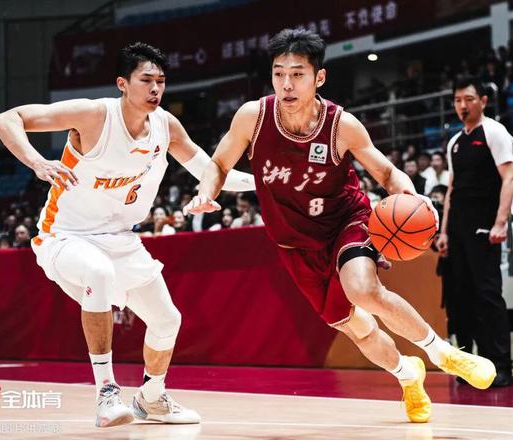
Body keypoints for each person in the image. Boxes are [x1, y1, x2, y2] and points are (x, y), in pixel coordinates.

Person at [185, 29, 496, 424]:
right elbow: (218, 163)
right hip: (296, 245)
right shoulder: (253, 117)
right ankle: (407, 375)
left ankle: (443, 353)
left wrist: (411, 197)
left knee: (363, 290)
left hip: (346, 222)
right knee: (358, 329)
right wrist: (206, 191)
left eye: (297, 74)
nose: (286, 84)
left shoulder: (341, 125)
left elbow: (387, 173)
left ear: (319, 78)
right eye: (279, 73)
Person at [0, 41, 254, 428]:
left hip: (121, 238)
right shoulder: (94, 115)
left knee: (167, 320)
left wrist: (266, 183)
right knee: (98, 272)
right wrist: (36, 161)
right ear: (122, 83)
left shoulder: (166, 126)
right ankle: (106, 394)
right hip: (65, 235)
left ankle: (152, 397)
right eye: (146, 80)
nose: (155, 88)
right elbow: (5, 119)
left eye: (161, 81)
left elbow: (212, 173)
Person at [436, 76, 513, 387]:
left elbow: (508, 178)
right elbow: (452, 189)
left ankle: (501, 366)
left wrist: (500, 222)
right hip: (457, 227)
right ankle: (472, 368)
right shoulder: (455, 142)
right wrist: (444, 232)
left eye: (469, 99)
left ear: (482, 101)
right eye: (458, 100)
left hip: (484, 224)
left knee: (487, 295)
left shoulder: (495, 132)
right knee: (461, 297)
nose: (462, 105)